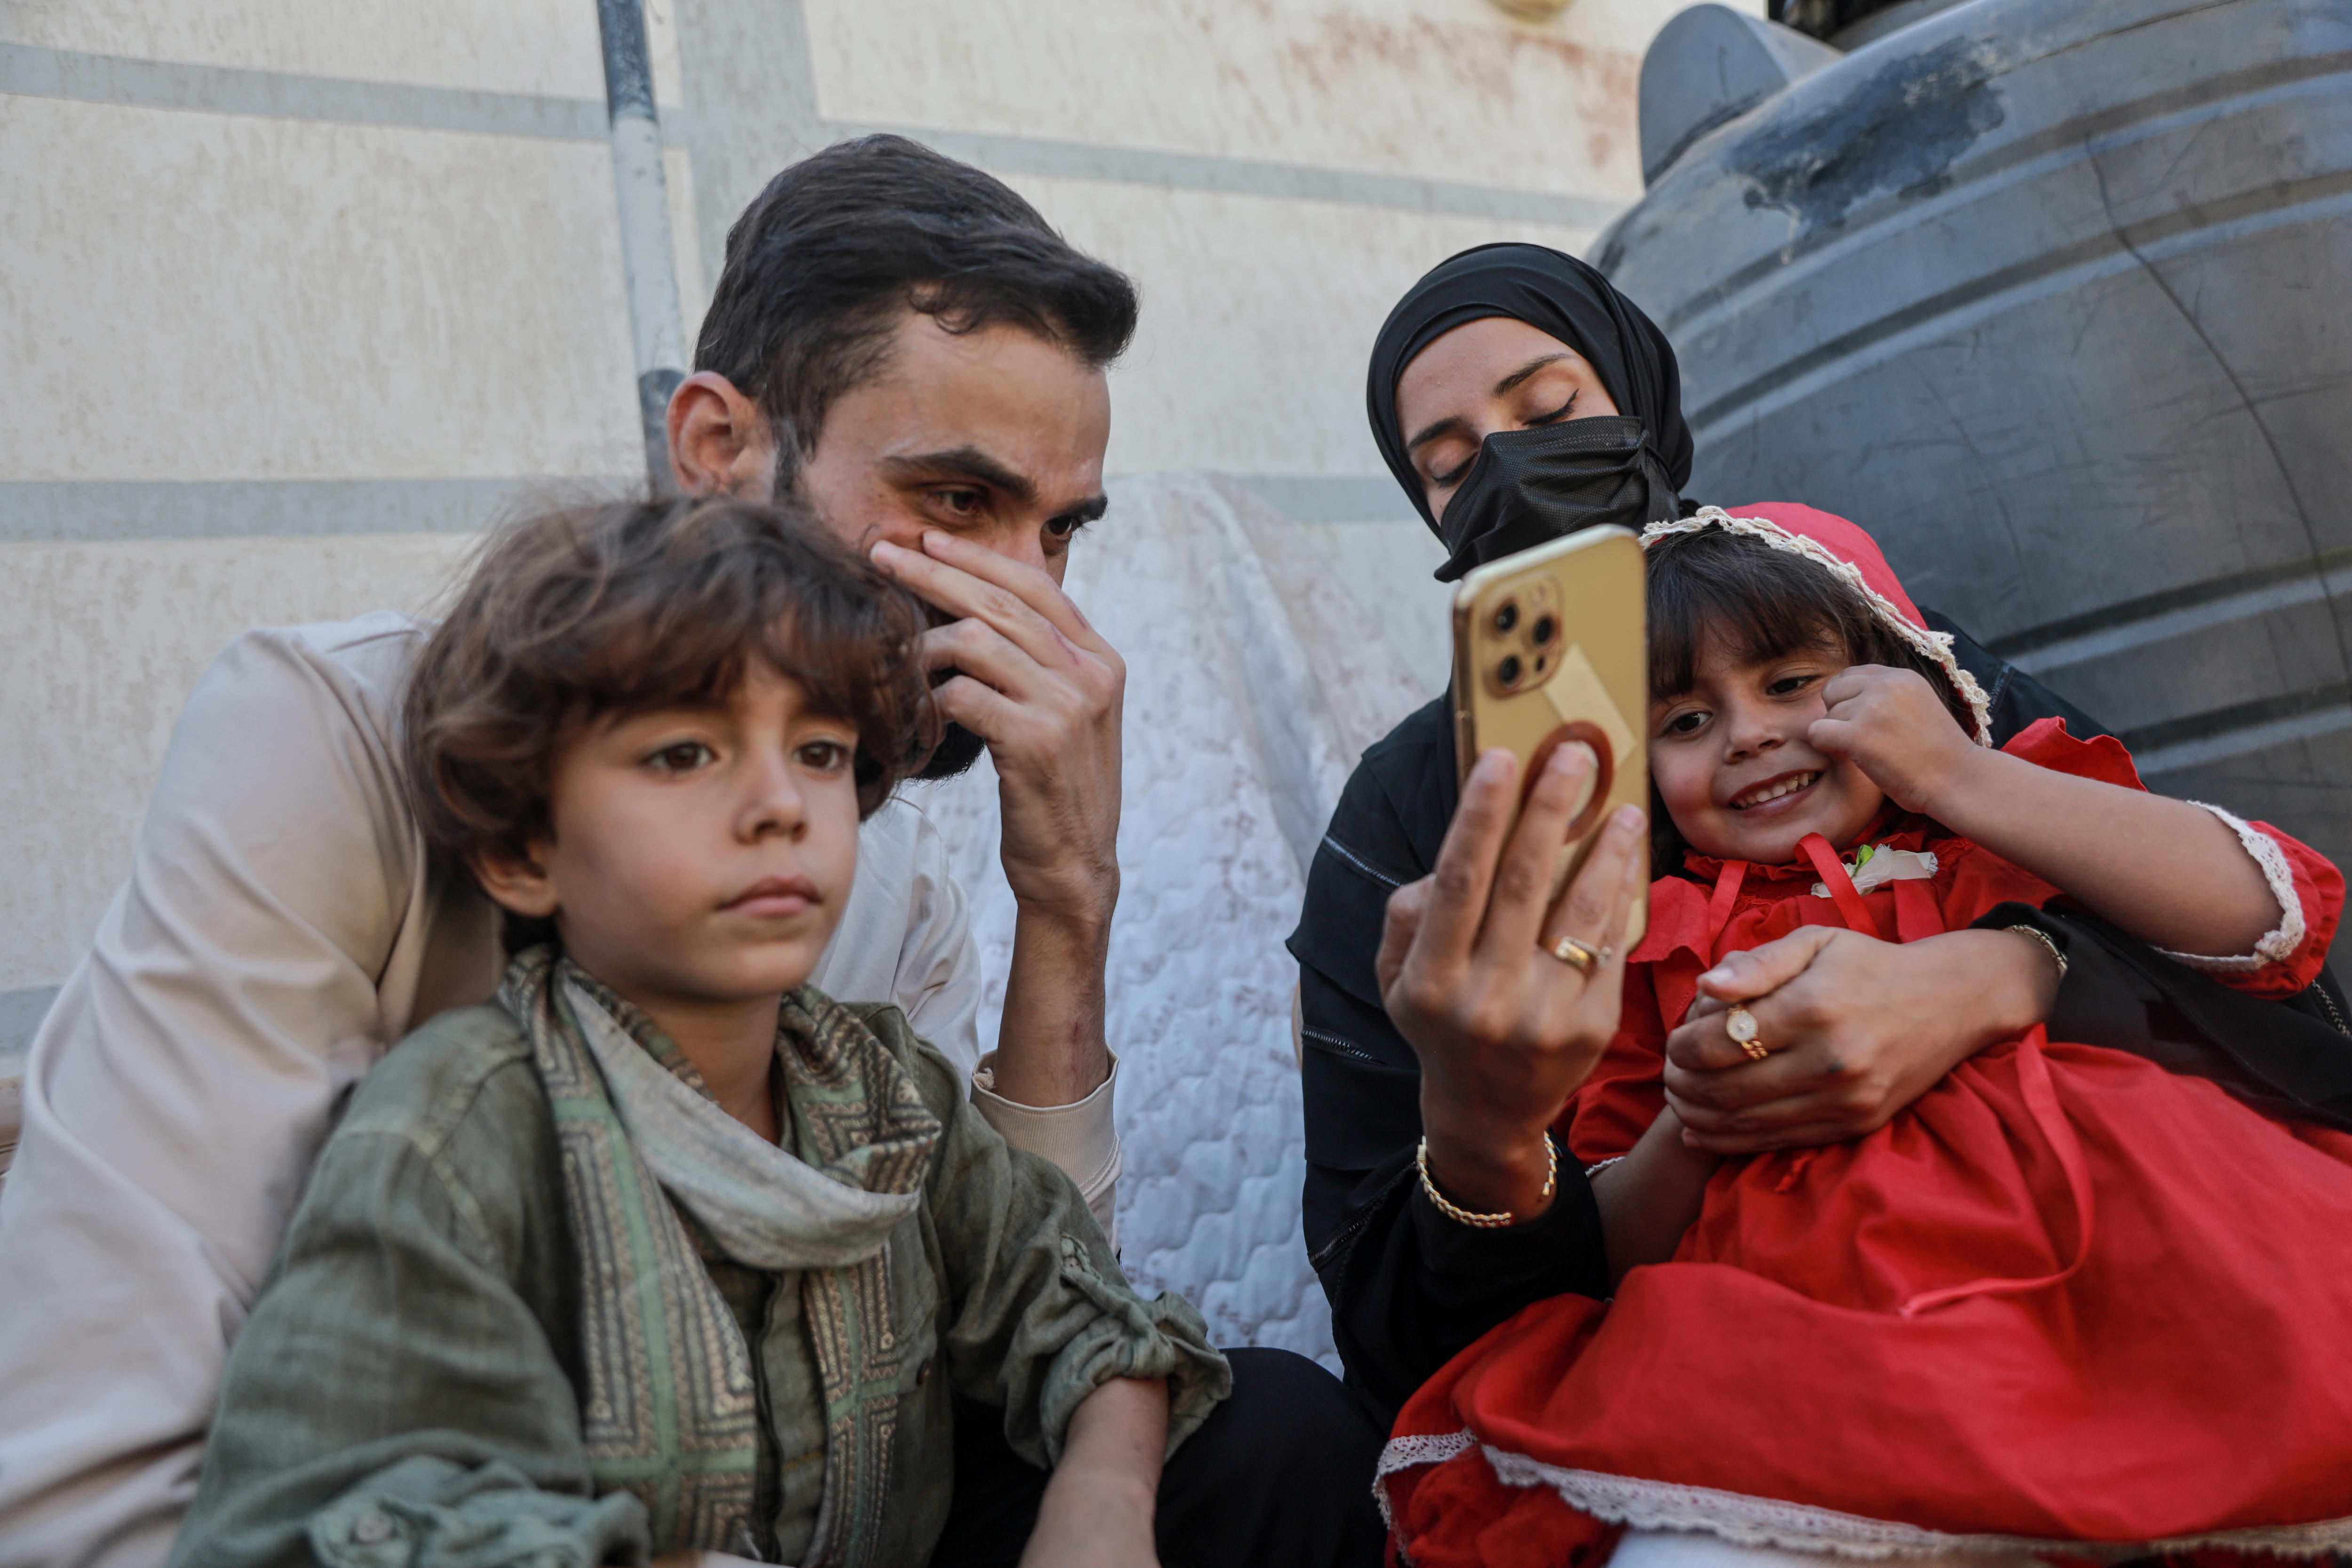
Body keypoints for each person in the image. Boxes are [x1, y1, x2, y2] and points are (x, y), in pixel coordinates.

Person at [0, 137, 1382, 1568]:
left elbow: (1018, 1316)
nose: (1019, 604)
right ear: (720, 449)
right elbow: (91, 1486)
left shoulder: (879, 901)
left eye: (1060, 535)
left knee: (1272, 1441)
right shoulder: (335, 746)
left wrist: (1067, 903)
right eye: (956, 502)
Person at [1290, 241, 2352, 1422]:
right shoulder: (1410, 810)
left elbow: (2245, 945)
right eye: (1448, 467)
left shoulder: (1847, 622)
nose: (1754, 736)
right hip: (1760, 1356)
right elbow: (1389, 1289)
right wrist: (1492, 1129)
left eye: (1549, 409)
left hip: (2117, 1247)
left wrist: (1999, 972)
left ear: (1636, 395)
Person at [166, 495, 1246, 1568]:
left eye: (820, 751)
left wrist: (1099, 1507)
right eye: (685, 754)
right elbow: (339, 1521)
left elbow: (1093, 1320)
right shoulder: (461, 1135)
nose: (779, 803)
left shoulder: (879, 1087)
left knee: (1272, 1434)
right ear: (524, 851)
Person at [1380, 505, 2352, 1563]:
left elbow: (2272, 917)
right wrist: (1700, 1117)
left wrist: (1955, 774)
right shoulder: (1651, 946)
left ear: (1907, 676)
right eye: (1684, 721)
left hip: (2142, 1260)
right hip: (1804, 1345)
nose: (1747, 732)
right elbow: (1608, 1243)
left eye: (1790, 682)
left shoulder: (1991, 830)